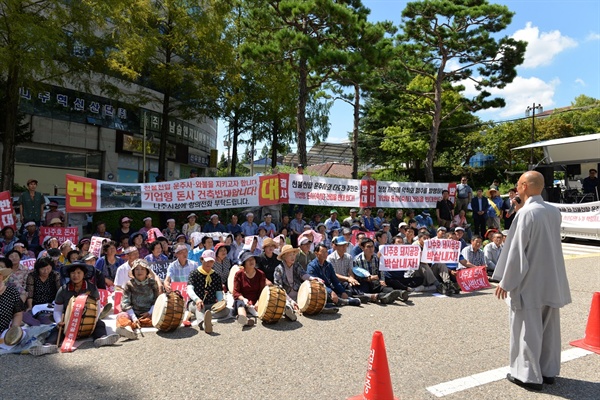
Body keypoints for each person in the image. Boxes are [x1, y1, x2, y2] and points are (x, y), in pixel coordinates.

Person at [493, 171, 571, 391]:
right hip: (551, 279)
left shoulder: (526, 214)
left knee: (527, 330)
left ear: (525, 186)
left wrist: (506, 282)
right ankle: (548, 372)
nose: (516, 188)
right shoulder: (553, 212)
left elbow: (518, 253)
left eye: (518, 185)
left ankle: (528, 375)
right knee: (549, 328)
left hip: (530, 281)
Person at [48, 263, 119, 350]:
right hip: (70, 321)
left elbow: (97, 306)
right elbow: (57, 310)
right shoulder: (63, 290)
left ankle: (101, 338)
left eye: (79, 273)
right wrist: (59, 321)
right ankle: (49, 345)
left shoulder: (92, 288)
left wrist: (93, 320)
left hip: (88, 320)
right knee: (57, 329)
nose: (75, 276)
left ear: (84, 274)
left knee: (100, 324)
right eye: (73, 273)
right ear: (69, 275)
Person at [115, 259, 160, 340]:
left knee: (159, 318)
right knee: (121, 316)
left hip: (149, 313)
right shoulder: (129, 284)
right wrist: (134, 317)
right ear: (133, 272)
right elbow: (125, 303)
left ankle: (133, 325)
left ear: (147, 271)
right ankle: (128, 329)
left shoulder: (152, 283)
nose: (139, 271)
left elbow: (156, 300)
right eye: (137, 269)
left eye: (142, 269)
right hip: (133, 313)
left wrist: (149, 312)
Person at [187, 250, 229, 333]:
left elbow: (218, 292)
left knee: (226, 311)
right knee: (199, 308)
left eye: (211, 261)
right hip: (196, 303)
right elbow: (189, 289)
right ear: (201, 260)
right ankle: (203, 324)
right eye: (206, 261)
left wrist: (221, 303)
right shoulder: (194, 273)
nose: (208, 263)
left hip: (211, 304)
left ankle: (205, 315)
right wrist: (197, 300)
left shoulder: (216, 275)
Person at [232, 251, 266, 327]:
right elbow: (236, 292)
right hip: (243, 299)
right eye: (248, 260)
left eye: (253, 259)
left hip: (256, 300)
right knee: (240, 303)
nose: (251, 261)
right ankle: (244, 319)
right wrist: (244, 299)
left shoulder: (261, 274)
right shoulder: (239, 274)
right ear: (244, 263)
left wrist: (258, 301)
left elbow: (262, 292)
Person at [0, 266, 24, 347]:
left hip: (5, 332)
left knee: (23, 336)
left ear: (2, 276)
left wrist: (14, 330)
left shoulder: (12, 292)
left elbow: (18, 314)